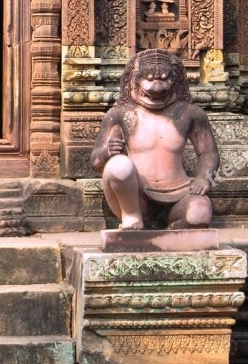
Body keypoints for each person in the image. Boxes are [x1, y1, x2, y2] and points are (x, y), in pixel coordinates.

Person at [91, 49, 220, 230]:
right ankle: (132, 217)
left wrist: (204, 178)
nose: (157, 87)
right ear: (134, 81)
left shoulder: (190, 113)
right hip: (137, 195)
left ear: (176, 81)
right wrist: (106, 152)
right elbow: (96, 162)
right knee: (118, 165)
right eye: (149, 79)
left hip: (180, 192)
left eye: (164, 79)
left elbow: (208, 152)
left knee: (199, 214)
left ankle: (172, 229)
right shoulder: (121, 114)